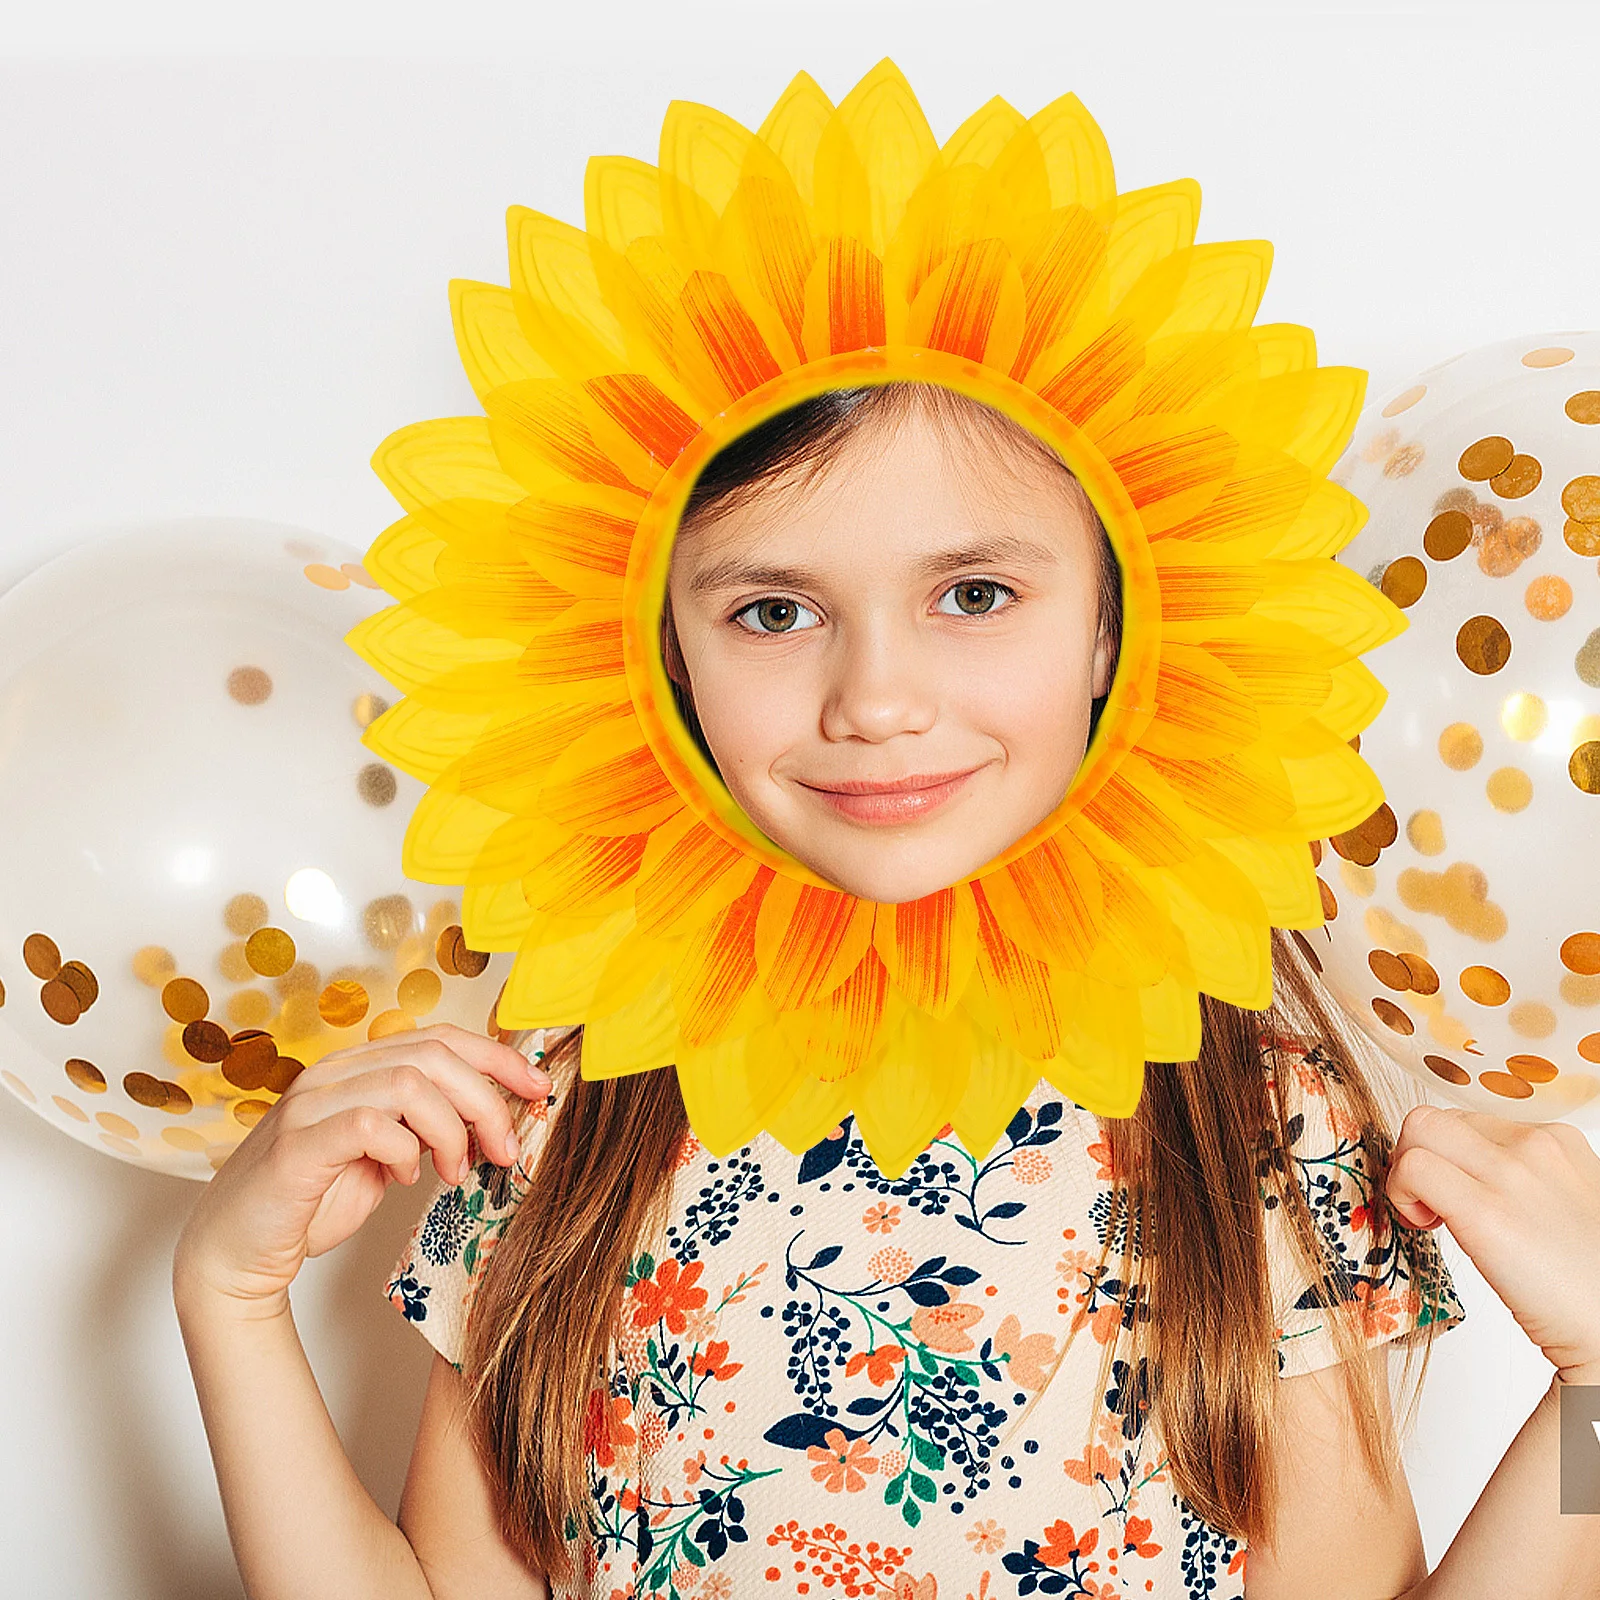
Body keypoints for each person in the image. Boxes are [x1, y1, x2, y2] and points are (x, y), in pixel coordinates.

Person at [174, 382, 1600, 1600]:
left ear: (1116, 624)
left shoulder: (1247, 1119)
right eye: (775, 609)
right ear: (668, 655)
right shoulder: (562, 1112)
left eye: (974, 594)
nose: (876, 697)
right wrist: (227, 1297)